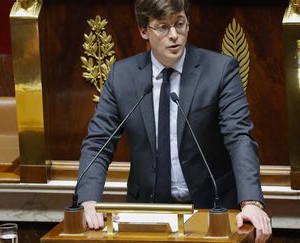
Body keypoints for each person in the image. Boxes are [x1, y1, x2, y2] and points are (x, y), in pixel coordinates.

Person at [77, 0, 272, 242]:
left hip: (210, 211)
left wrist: (251, 201)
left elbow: (239, 137)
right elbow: (98, 143)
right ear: (143, 31)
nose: (174, 35)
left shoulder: (220, 71)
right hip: (147, 214)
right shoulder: (122, 76)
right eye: (162, 27)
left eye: (179, 24)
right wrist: (87, 201)